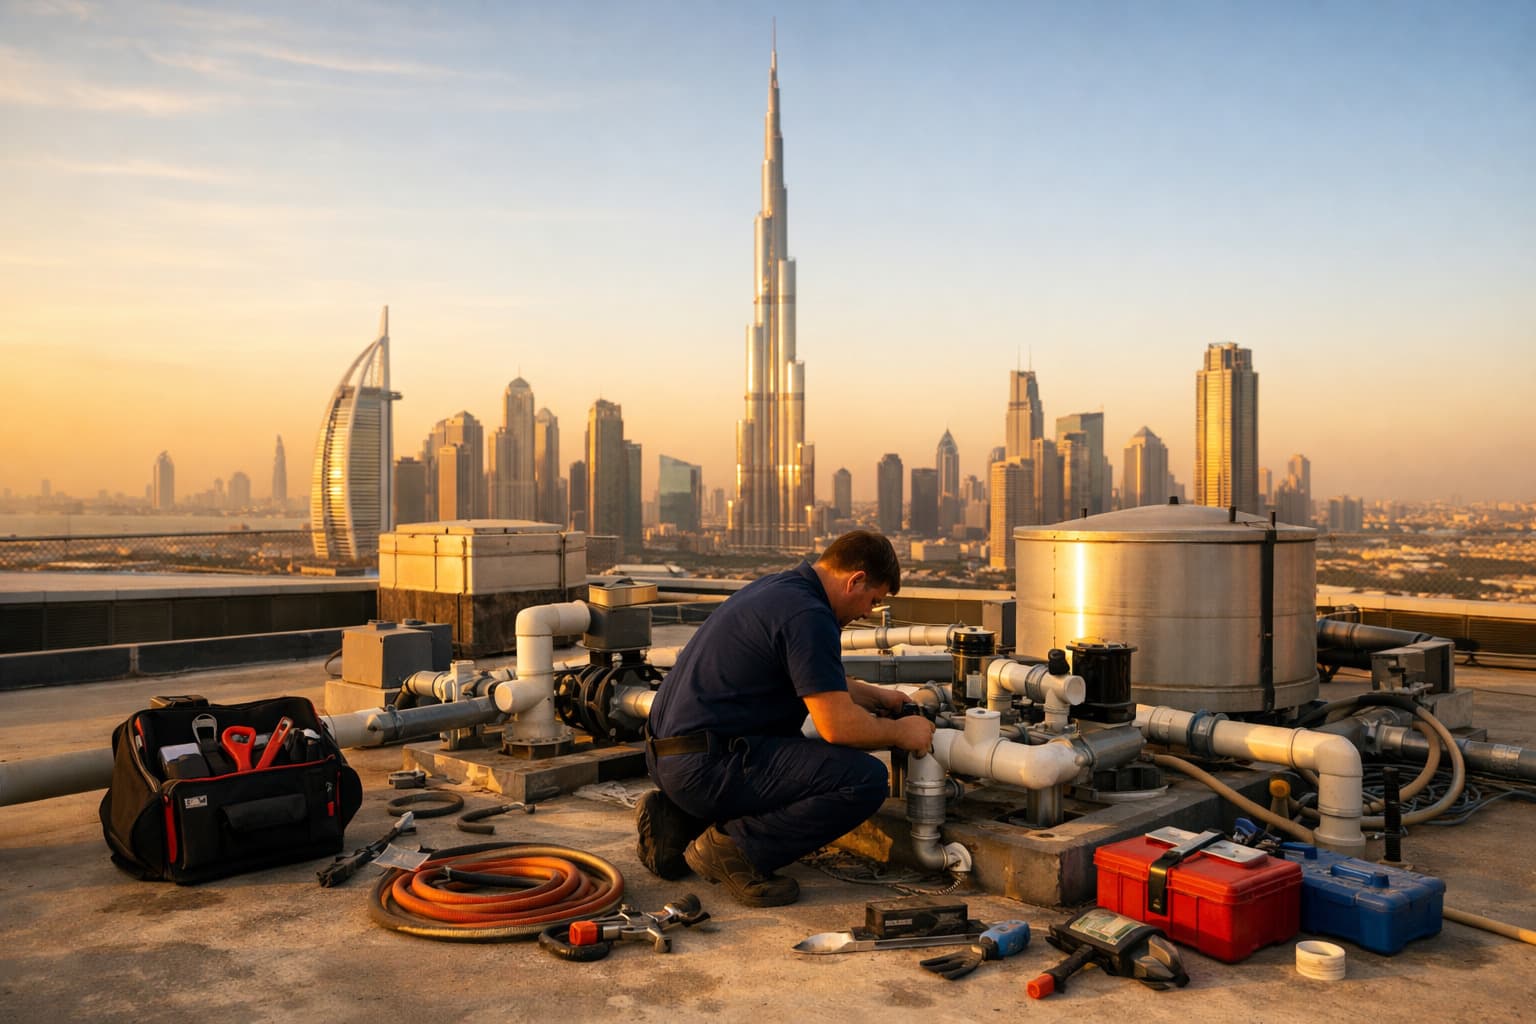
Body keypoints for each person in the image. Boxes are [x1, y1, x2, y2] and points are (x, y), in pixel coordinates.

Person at [635, 530, 936, 907]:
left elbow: (816, 678)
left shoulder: (780, 589)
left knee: (789, 754)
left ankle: (677, 822)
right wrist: (901, 732)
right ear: (855, 580)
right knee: (863, 779)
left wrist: (879, 697)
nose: (866, 614)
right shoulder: (810, 616)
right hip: (706, 767)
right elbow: (838, 728)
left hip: (667, 759)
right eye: (871, 601)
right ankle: (734, 850)